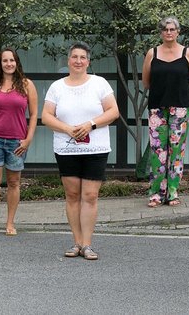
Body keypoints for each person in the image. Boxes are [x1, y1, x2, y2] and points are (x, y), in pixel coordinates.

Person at [42, 42, 120, 260]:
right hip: (66, 149)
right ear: (68, 60)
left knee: (90, 195)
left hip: (95, 147)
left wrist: (90, 124)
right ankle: (76, 242)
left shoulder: (99, 84)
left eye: (82, 57)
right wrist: (67, 128)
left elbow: (113, 111)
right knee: (73, 195)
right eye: (74, 57)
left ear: (88, 61)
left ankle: (87, 244)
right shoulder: (57, 87)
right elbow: (46, 116)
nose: (78, 61)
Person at [0, 48, 38, 237]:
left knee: (13, 182)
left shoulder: (27, 85)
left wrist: (28, 139)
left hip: (17, 142)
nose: (9, 64)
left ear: (17, 63)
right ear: (0, 64)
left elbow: (34, 114)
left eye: (12, 60)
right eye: (5, 61)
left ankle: (10, 223)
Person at [141, 17, 189, 208]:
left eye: (172, 29)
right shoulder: (152, 53)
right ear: (160, 32)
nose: (168, 32)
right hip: (157, 108)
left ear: (178, 32)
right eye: (165, 29)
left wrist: (179, 93)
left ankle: (172, 192)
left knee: (176, 152)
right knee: (158, 151)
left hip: (180, 108)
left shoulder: (187, 53)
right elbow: (146, 82)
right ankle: (156, 194)